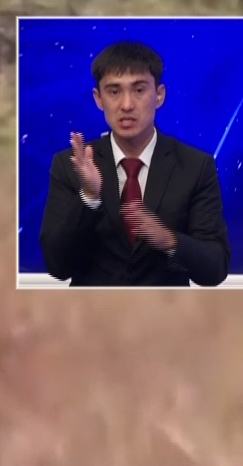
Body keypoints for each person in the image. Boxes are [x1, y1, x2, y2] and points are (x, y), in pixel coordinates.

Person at [38, 40, 231, 287]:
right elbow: (58, 267)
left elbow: (215, 270)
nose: (127, 105)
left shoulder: (195, 166)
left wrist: (169, 241)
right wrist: (89, 197)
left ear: (159, 95)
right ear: (98, 99)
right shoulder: (71, 165)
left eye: (139, 90)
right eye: (114, 92)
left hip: (166, 309)